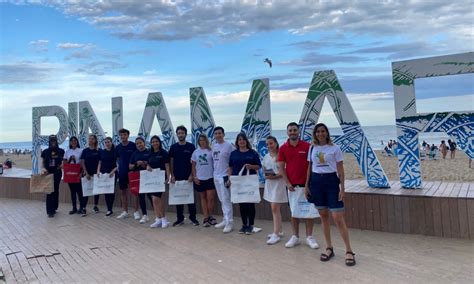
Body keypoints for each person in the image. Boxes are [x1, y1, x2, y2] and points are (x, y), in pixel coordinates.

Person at [306, 123, 355, 266]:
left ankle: (349, 250)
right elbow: (309, 168)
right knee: (323, 216)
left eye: (323, 131)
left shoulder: (335, 148)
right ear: (315, 134)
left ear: (327, 133)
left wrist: (343, 188)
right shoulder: (312, 148)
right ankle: (329, 248)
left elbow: (340, 169)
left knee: (338, 217)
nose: (320, 134)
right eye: (318, 131)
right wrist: (306, 185)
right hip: (316, 183)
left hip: (331, 182)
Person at [278, 122, 319, 249]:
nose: (292, 132)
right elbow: (281, 167)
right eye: (290, 130)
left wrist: (310, 183)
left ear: (298, 131)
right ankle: (295, 237)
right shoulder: (283, 148)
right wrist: (287, 183)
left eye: (295, 130)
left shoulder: (307, 146)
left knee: (309, 211)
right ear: (287, 132)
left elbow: (312, 165)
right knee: (294, 212)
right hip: (292, 186)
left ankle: (309, 237)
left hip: (308, 185)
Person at [227, 132, 261, 235]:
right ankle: (244, 225)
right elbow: (230, 167)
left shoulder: (253, 153)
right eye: (239, 140)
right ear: (237, 142)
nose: (241, 141)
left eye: (243, 139)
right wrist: (229, 178)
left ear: (246, 141)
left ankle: (250, 225)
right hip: (238, 183)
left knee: (250, 204)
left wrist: (251, 166)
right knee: (241, 204)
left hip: (249, 182)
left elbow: (259, 166)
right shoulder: (233, 154)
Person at [169, 125, 199, 226]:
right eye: (179, 133)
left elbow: (194, 163)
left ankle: (193, 218)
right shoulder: (173, 147)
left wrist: (192, 175)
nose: (180, 135)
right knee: (178, 199)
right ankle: (180, 219)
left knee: (191, 199)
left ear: (185, 134)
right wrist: (172, 175)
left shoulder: (191, 147)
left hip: (188, 177)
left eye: (182, 133)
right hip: (177, 176)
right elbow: (171, 162)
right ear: (177, 135)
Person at [262, 136, 288, 244]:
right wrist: (266, 175)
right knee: (275, 209)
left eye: (271, 143)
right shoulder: (266, 156)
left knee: (274, 208)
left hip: (279, 185)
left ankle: (276, 234)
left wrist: (275, 176)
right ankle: (279, 230)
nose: (269, 146)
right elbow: (264, 169)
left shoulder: (281, 155)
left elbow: (284, 171)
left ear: (276, 143)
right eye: (267, 144)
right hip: (270, 184)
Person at [211, 126, 234, 233]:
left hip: (225, 176)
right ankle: (225, 219)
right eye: (216, 134)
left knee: (226, 200)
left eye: (220, 133)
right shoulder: (213, 146)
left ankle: (230, 222)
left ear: (223, 134)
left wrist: (230, 176)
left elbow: (234, 159)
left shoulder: (229, 146)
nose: (218, 135)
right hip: (216, 176)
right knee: (221, 200)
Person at [191, 134, 217, 227]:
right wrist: (194, 177)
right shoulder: (195, 152)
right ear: (198, 142)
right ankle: (206, 217)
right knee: (203, 198)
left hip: (210, 178)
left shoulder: (211, 151)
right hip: (200, 178)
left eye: (204, 140)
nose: (202, 141)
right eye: (200, 140)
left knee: (211, 198)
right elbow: (193, 166)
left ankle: (210, 216)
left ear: (206, 141)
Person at [147, 135, 171, 228]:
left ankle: (164, 219)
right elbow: (148, 163)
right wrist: (147, 166)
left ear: (159, 142)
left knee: (157, 198)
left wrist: (168, 177)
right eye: (153, 142)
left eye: (156, 141)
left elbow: (167, 166)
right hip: (152, 180)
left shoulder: (163, 153)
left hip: (161, 179)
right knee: (153, 199)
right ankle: (158, 219)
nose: (154, 143)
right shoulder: (150, 153)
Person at [115, 129, 137, 220]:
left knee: (135, 192)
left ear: (128, 135)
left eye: (124, 134)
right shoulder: (118, 147)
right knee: (123, 192)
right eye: (121, 135)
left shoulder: (133, 145)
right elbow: (117, 159)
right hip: (122, 173)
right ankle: (125, 211)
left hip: (133, 172)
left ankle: (136, 211)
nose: (122, 136)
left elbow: (137, 155)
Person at [41, 135, 65, 218]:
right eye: (51, 140)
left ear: (56, 141)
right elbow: (43, 162)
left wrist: (62, 165)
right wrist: (44, 168)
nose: (53, 142)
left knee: (56, 190)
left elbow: (64, 161)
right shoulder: (45, 151)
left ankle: (55, 207)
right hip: (48, 173)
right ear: (49, 141)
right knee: (49, 191)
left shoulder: (61, 151)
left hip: (57, 173)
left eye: (54, 140)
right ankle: (49, 211)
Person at [129, 137, 151, 224]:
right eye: (137, 143)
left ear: (144, 143)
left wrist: (145, 163)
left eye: (140, 143)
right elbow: (130, 166)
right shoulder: (134, 154)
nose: (139, 145)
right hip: (139, 178)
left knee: (151, 196)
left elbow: (154, 162)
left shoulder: (149, 151)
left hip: (149, 177)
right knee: (141, 196)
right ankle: (145, 215)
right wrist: (136, 163)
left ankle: (158, 215)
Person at [80, 134, 100, 217]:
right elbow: (82, 162)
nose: (91, 140)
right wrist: (86, 172)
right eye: (89, 139)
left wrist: (98, 172)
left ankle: (95, 206)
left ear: (95, 141)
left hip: (96, 174)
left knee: (96, 191)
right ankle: (84, 208)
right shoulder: (85, 151)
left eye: (92, 139)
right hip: (87, 174)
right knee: (86, 191)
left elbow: (100, 162)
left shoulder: (98, 151)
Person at [97, 137, 118, 216]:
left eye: (108, 142)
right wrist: (98, 171)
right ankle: (109, 209)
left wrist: (113, 171)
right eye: (105, 142)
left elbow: (119, 163)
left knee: (111, 192)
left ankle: (110, 208)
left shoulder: (115, 151)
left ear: (111, 142)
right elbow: (100, 162)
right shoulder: (102, 152)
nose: (107, 143)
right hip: (104, 174)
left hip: (113, 174)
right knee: (106, 191)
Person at [63, 136, 83, 215]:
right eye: (72, 141)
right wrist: (70, 159)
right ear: (70, 143)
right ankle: (74, 207)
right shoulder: (67, 152)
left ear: (77, 142)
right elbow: (64, 163)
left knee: (79, 191)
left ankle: (81, 207)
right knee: (72, 191)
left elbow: (82, 162)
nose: (73, 142)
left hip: (78, 172)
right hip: (70, 173)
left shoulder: (81, 150)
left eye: (75, 141)